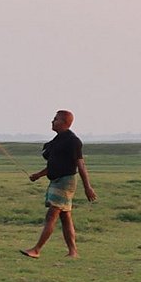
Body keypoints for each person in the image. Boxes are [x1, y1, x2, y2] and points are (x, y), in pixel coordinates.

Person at [21, 110, 96, 258]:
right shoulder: (57, 141)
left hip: (65, 182)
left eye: (55, 119)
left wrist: (88, 187)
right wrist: (38, 175)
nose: (52, 121)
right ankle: (73, 251)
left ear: (64, 122)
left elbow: (80, 165)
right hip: (56, 181)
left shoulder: (73, 141)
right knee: (65, 217)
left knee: (52, 215)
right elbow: (54, 164)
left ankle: (36, 250)